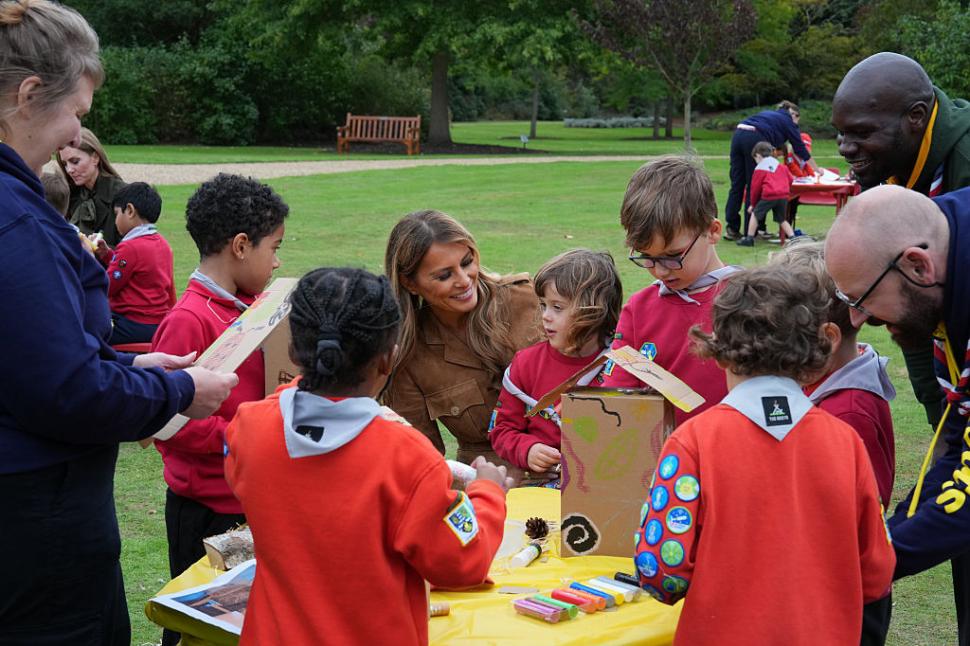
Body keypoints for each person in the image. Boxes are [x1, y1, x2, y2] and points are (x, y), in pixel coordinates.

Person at [0, 2, 237, 644]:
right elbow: (67, 394)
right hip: (35, 528)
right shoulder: (15, 221)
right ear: (28, 96)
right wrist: (179, 390)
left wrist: (127, 364)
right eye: (77, 113)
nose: (76, 133)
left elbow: (26, 355)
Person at [225, 267, 511, 646]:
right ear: (388, 359)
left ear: (293, 352)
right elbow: (462, 562)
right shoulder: (406, 457)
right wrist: (488, 493)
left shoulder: (249, 427)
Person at [634, 264, 895, 645]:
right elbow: (876, 570)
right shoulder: (846, 442)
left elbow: (661, 570)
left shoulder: (693, 442)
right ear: (817, 348)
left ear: (719, 351)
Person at [826, 184, 970, 646]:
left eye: (861, 300)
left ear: (917, 265)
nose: (856, 321)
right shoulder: (947, 262)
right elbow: (961, 442)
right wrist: (884, 540)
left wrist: (865, 563)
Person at [150, 172, 287, 646]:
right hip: (205, 508)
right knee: (196, 624)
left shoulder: (254, 308)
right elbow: (168, 423)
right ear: (242, 246)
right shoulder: (189, 319)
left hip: (251, 497)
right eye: (274, 248)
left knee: (248, 620)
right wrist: (241, 435)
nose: (278, 261)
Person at [832, 52, 970, 433]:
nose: (845, 147)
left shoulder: (963, 166)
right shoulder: (889, 166)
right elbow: (913, 311)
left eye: (862, 133)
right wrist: (940, 419)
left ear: (916, 117)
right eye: (841, 133)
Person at [773, 239, 897, 645]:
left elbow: (854, 518)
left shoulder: (848, 412)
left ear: (826, 338)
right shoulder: (825, 384)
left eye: (786, 341)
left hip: (847, 594)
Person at [383, 210, 542, 465]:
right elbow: (421, 460)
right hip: (488, 476)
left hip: (570, 459)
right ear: (410, 283)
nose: (464, 280)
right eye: (444, 275)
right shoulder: (408, 356)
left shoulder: (528, 298)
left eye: (467, 262)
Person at [601, 156, 740, 426]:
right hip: (663, 451)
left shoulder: (753, 301)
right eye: (647, 257)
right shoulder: (638, 310)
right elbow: (616, 396)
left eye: (673, 256)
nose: (660, 271)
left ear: (712, 231)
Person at [489, 249, 622, 485]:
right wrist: (528, 450)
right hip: (540, 486)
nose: (545, 316)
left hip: (605, 484)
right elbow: (501, 430)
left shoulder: (621, 365)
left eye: (557, 307)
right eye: (543, 305)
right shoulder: (526, 364)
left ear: (593, 311)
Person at [724, 99, 819, 240]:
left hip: (738, 134)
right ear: (794, 115)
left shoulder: (769, 115)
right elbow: (799, 147)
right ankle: (751, 232)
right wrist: (816, 169)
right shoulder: (788, 121)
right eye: (797, 121)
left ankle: (732, 228)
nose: (796, 125)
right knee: (754, 184)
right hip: (755, 139)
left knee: (737, 185)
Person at [106, 182, 175, 345]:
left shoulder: (130, 247)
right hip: (158, 324)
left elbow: (109, 285)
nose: (115, 221)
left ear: (130, 211)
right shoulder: (163, 244)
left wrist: (89, 258)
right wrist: (106, 255)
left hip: (132, 324)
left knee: (88, 331)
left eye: (117, 214)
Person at [57, 126, 127, 246]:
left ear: (95, 158)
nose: (69, 170)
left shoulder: (122, 194)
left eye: (75, 161)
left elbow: (132, 249)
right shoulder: (67, 194)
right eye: (65, 164)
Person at [737, 141, 796, 246]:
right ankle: (793, 238)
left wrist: (753, 204)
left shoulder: (760, 169)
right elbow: (791, 179)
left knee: (755, 214)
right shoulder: (780, 165)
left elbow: (755, 189)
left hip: (769, 195)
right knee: (782, 219)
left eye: (755, 159)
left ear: (758, 155)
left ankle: (749, 238)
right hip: (783, 195)